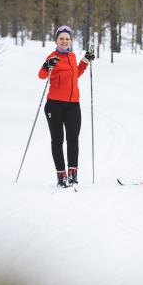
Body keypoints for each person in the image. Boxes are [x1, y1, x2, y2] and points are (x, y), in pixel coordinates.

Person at [38, 25, 95, 188]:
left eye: (67, 39)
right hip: (54, 105)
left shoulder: (72, 56)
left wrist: (85, 60)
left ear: (71, 41)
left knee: (73, 140)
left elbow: (75, 74)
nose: (64, 41)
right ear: (56, 40)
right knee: (57, 140)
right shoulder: (52, 56)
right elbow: (41, 75)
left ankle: (73, 173)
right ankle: (61, 175)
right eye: (61, 38)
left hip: (73, 105)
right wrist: (47, 65)